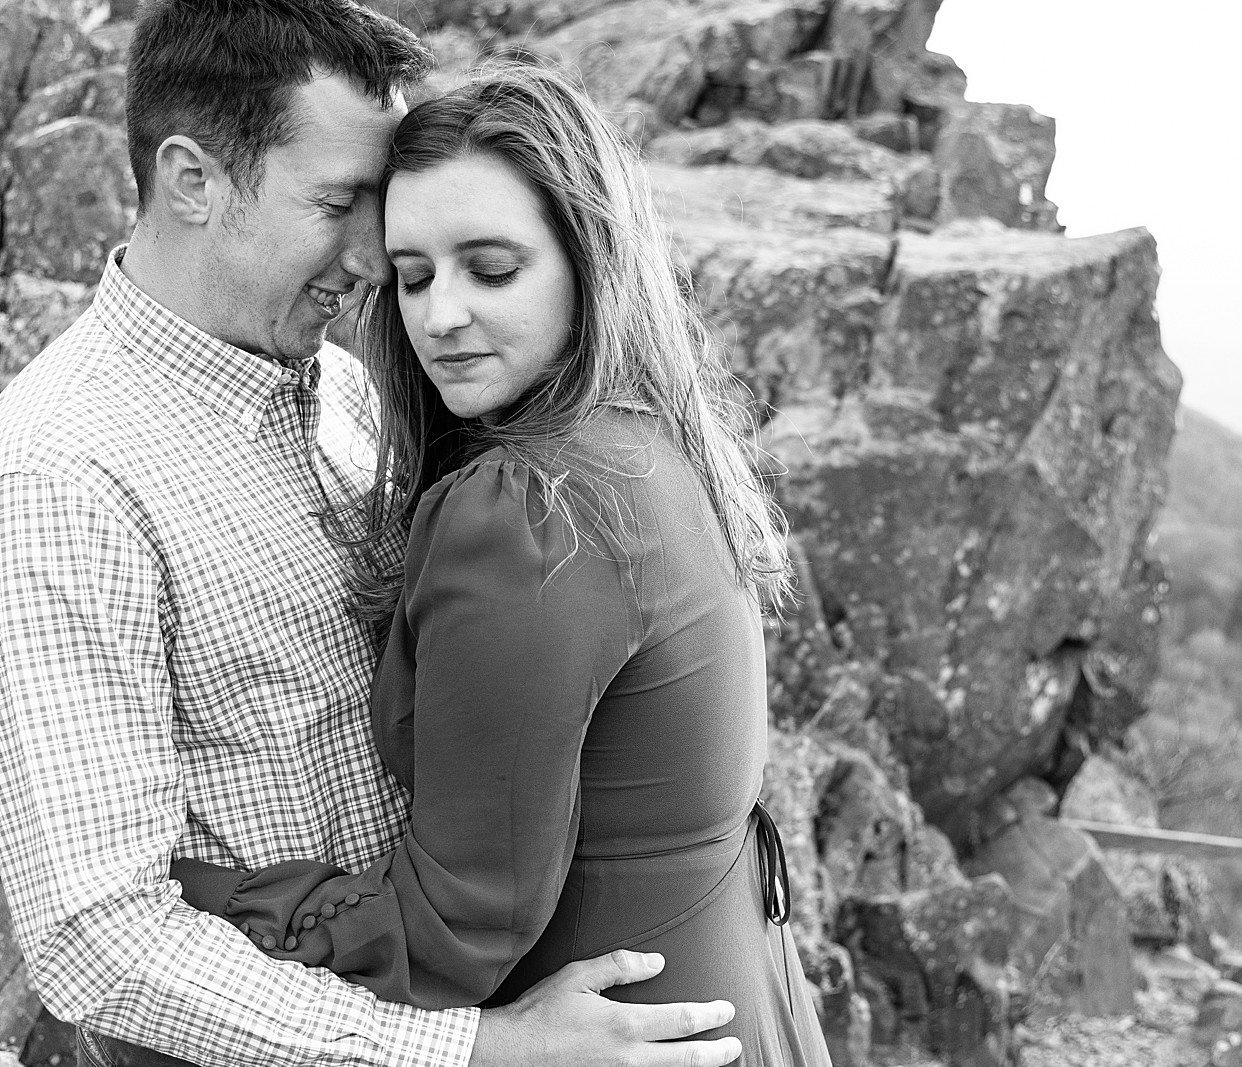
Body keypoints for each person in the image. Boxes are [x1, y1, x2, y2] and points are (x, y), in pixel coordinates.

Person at [0, 2, 741, 1065]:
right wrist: (475, 1048)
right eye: (339, 202)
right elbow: (98, 937)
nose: (375, 256)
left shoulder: (347, 393)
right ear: (192, 180)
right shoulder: (60, 471)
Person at [166, 63, 833, 1065]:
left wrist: (179, 899)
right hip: (735, 996)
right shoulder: (654, 444)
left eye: (490, 266)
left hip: (621, 1031)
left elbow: (450, 931)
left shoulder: (533, 509)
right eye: (416, 274)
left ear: (587, 257)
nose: (440, 317)